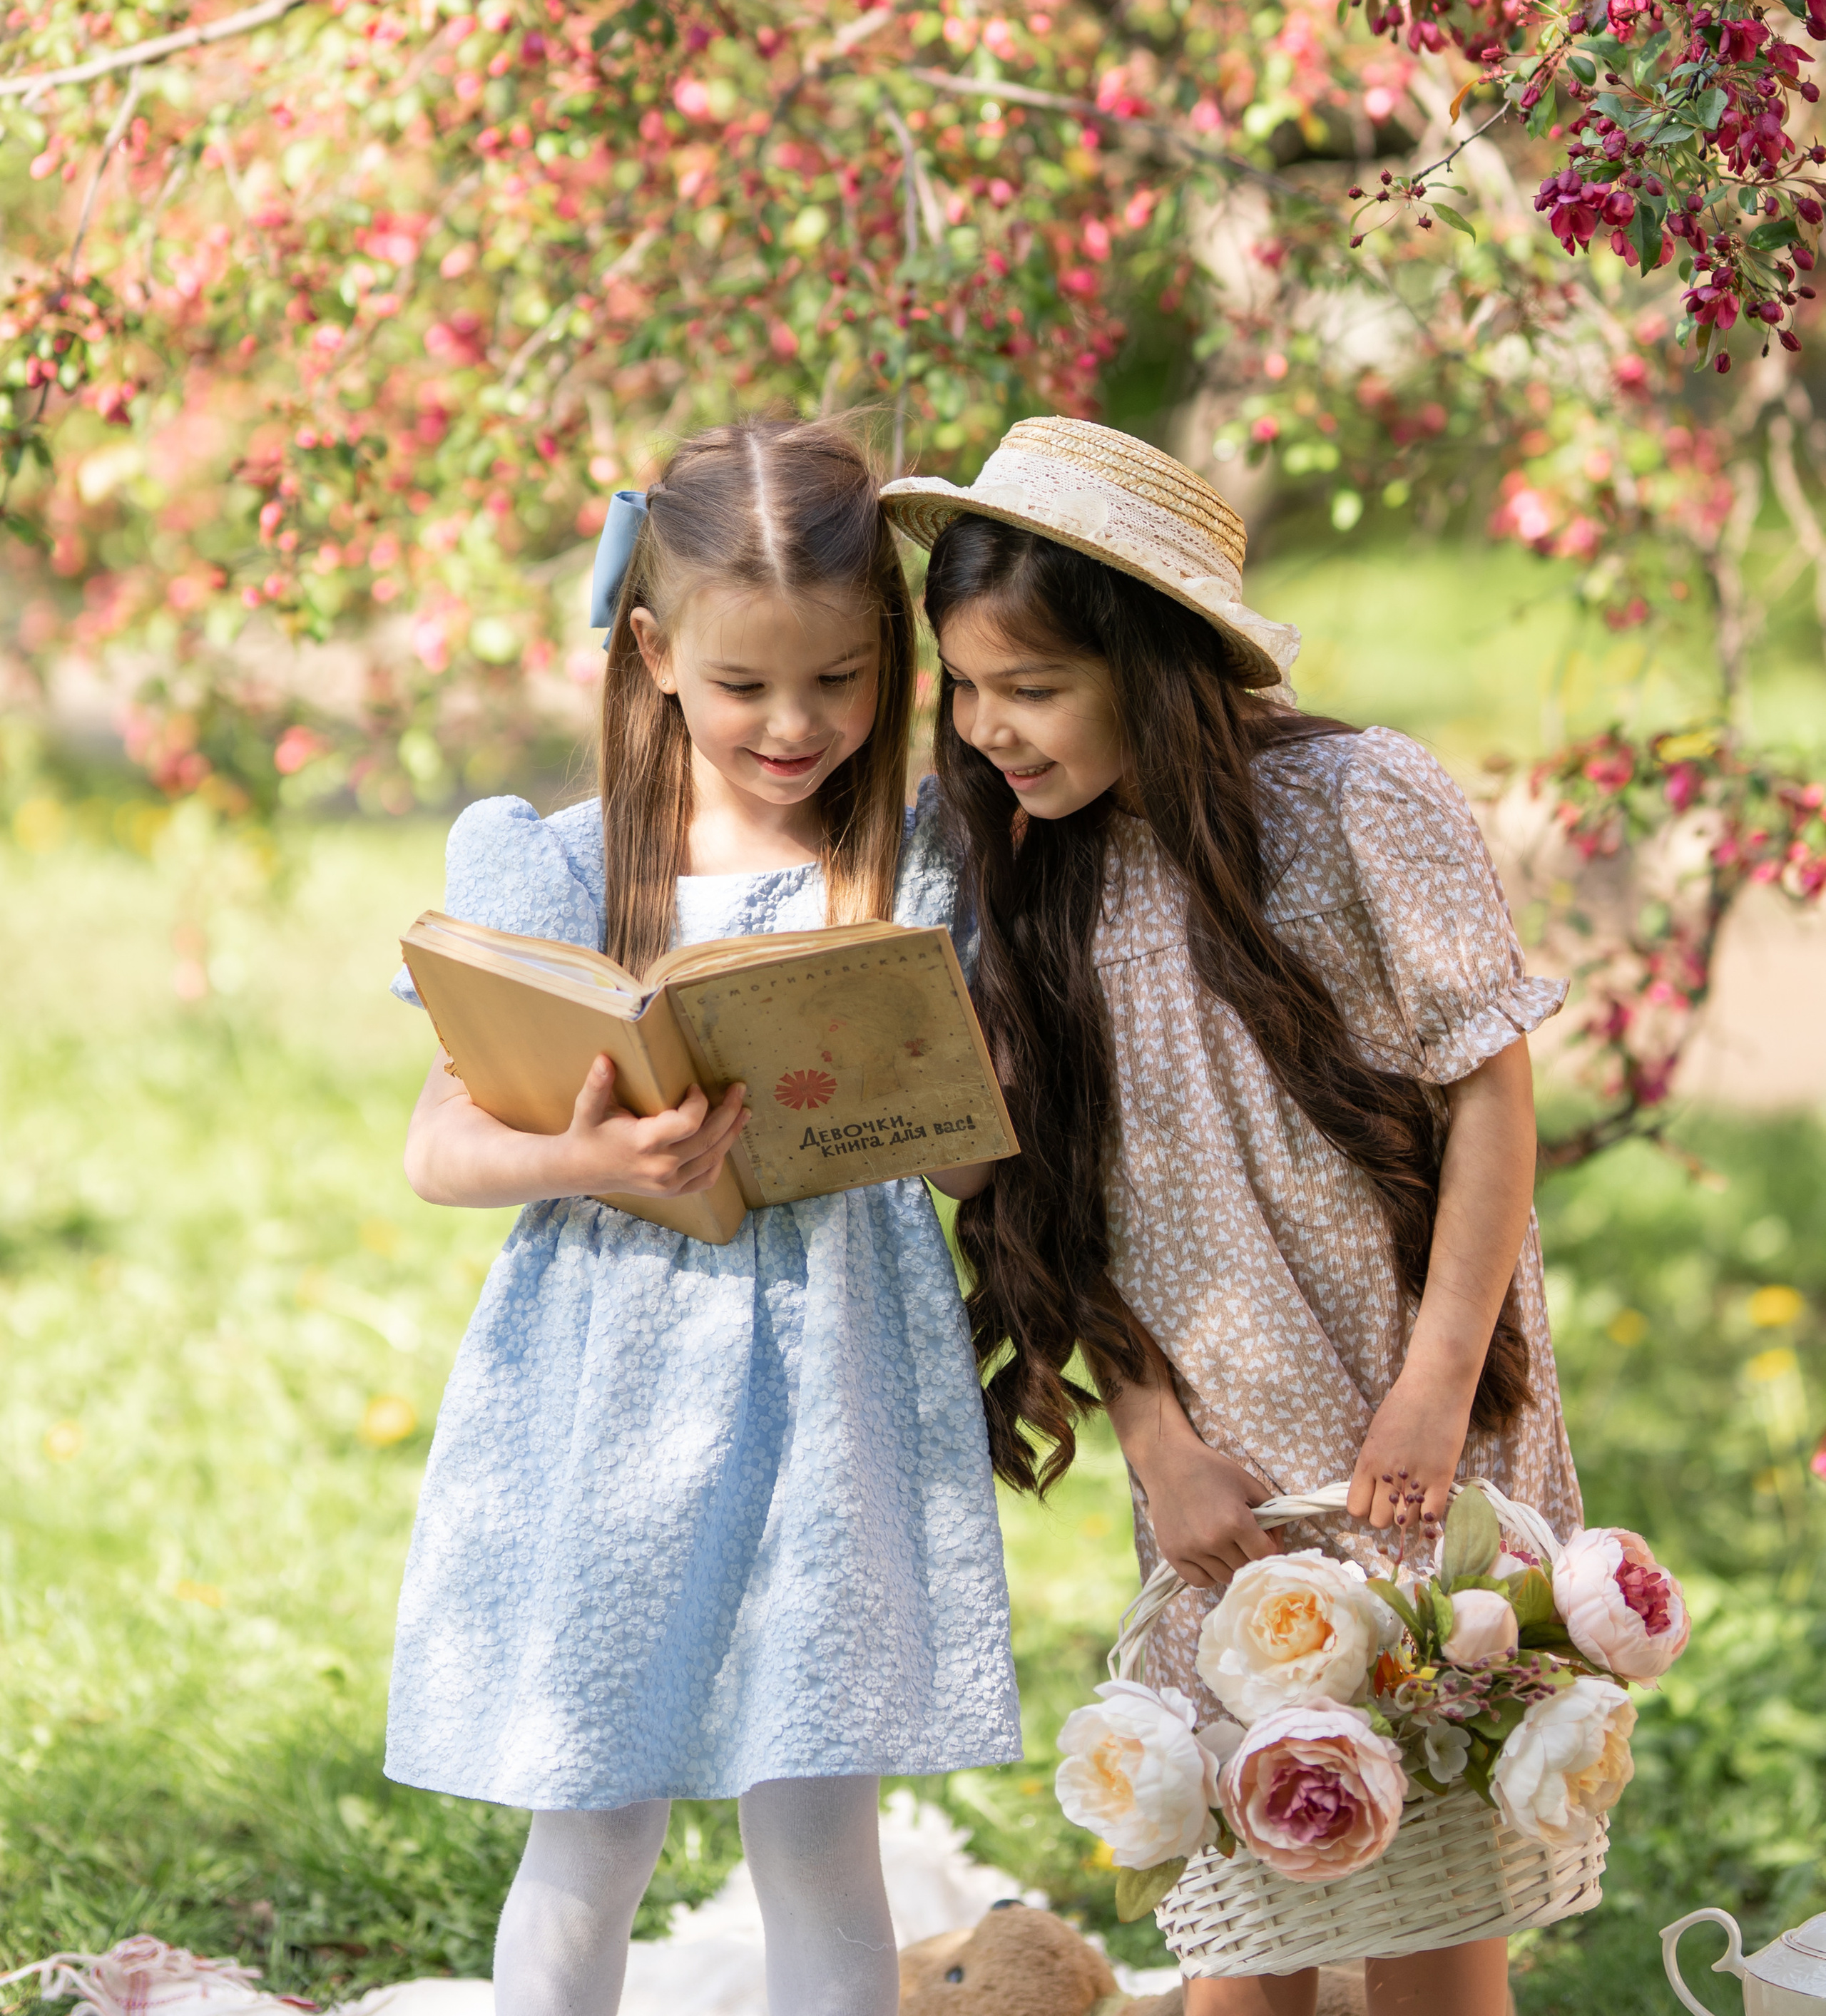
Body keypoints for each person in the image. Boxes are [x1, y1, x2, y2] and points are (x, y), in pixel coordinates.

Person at [882, 415, 1581, 2016]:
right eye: (965, 688)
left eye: (1033, 689)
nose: (989, 728)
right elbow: (1046, 1204)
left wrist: (1429, 1387)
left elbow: (1487, 1093)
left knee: (1419, 1888)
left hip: (1420, 1424)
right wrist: (1153, 1443)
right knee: (1243, 1904)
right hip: (1215, 1448)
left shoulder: (1358, 804)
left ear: (1154, 660)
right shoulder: (1014, 864)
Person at [389, 416, 1021, 2016]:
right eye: (745, 687)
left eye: (839, 679)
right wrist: (583, 1159)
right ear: (658, 654)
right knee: (589, 1821)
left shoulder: (911, 857)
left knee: (818, 1832)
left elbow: (967, 1150)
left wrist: (947, 1103)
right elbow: (440, 1143)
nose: (795, 726)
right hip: (616, 1383)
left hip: (833, 1389)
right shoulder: (563, 871)